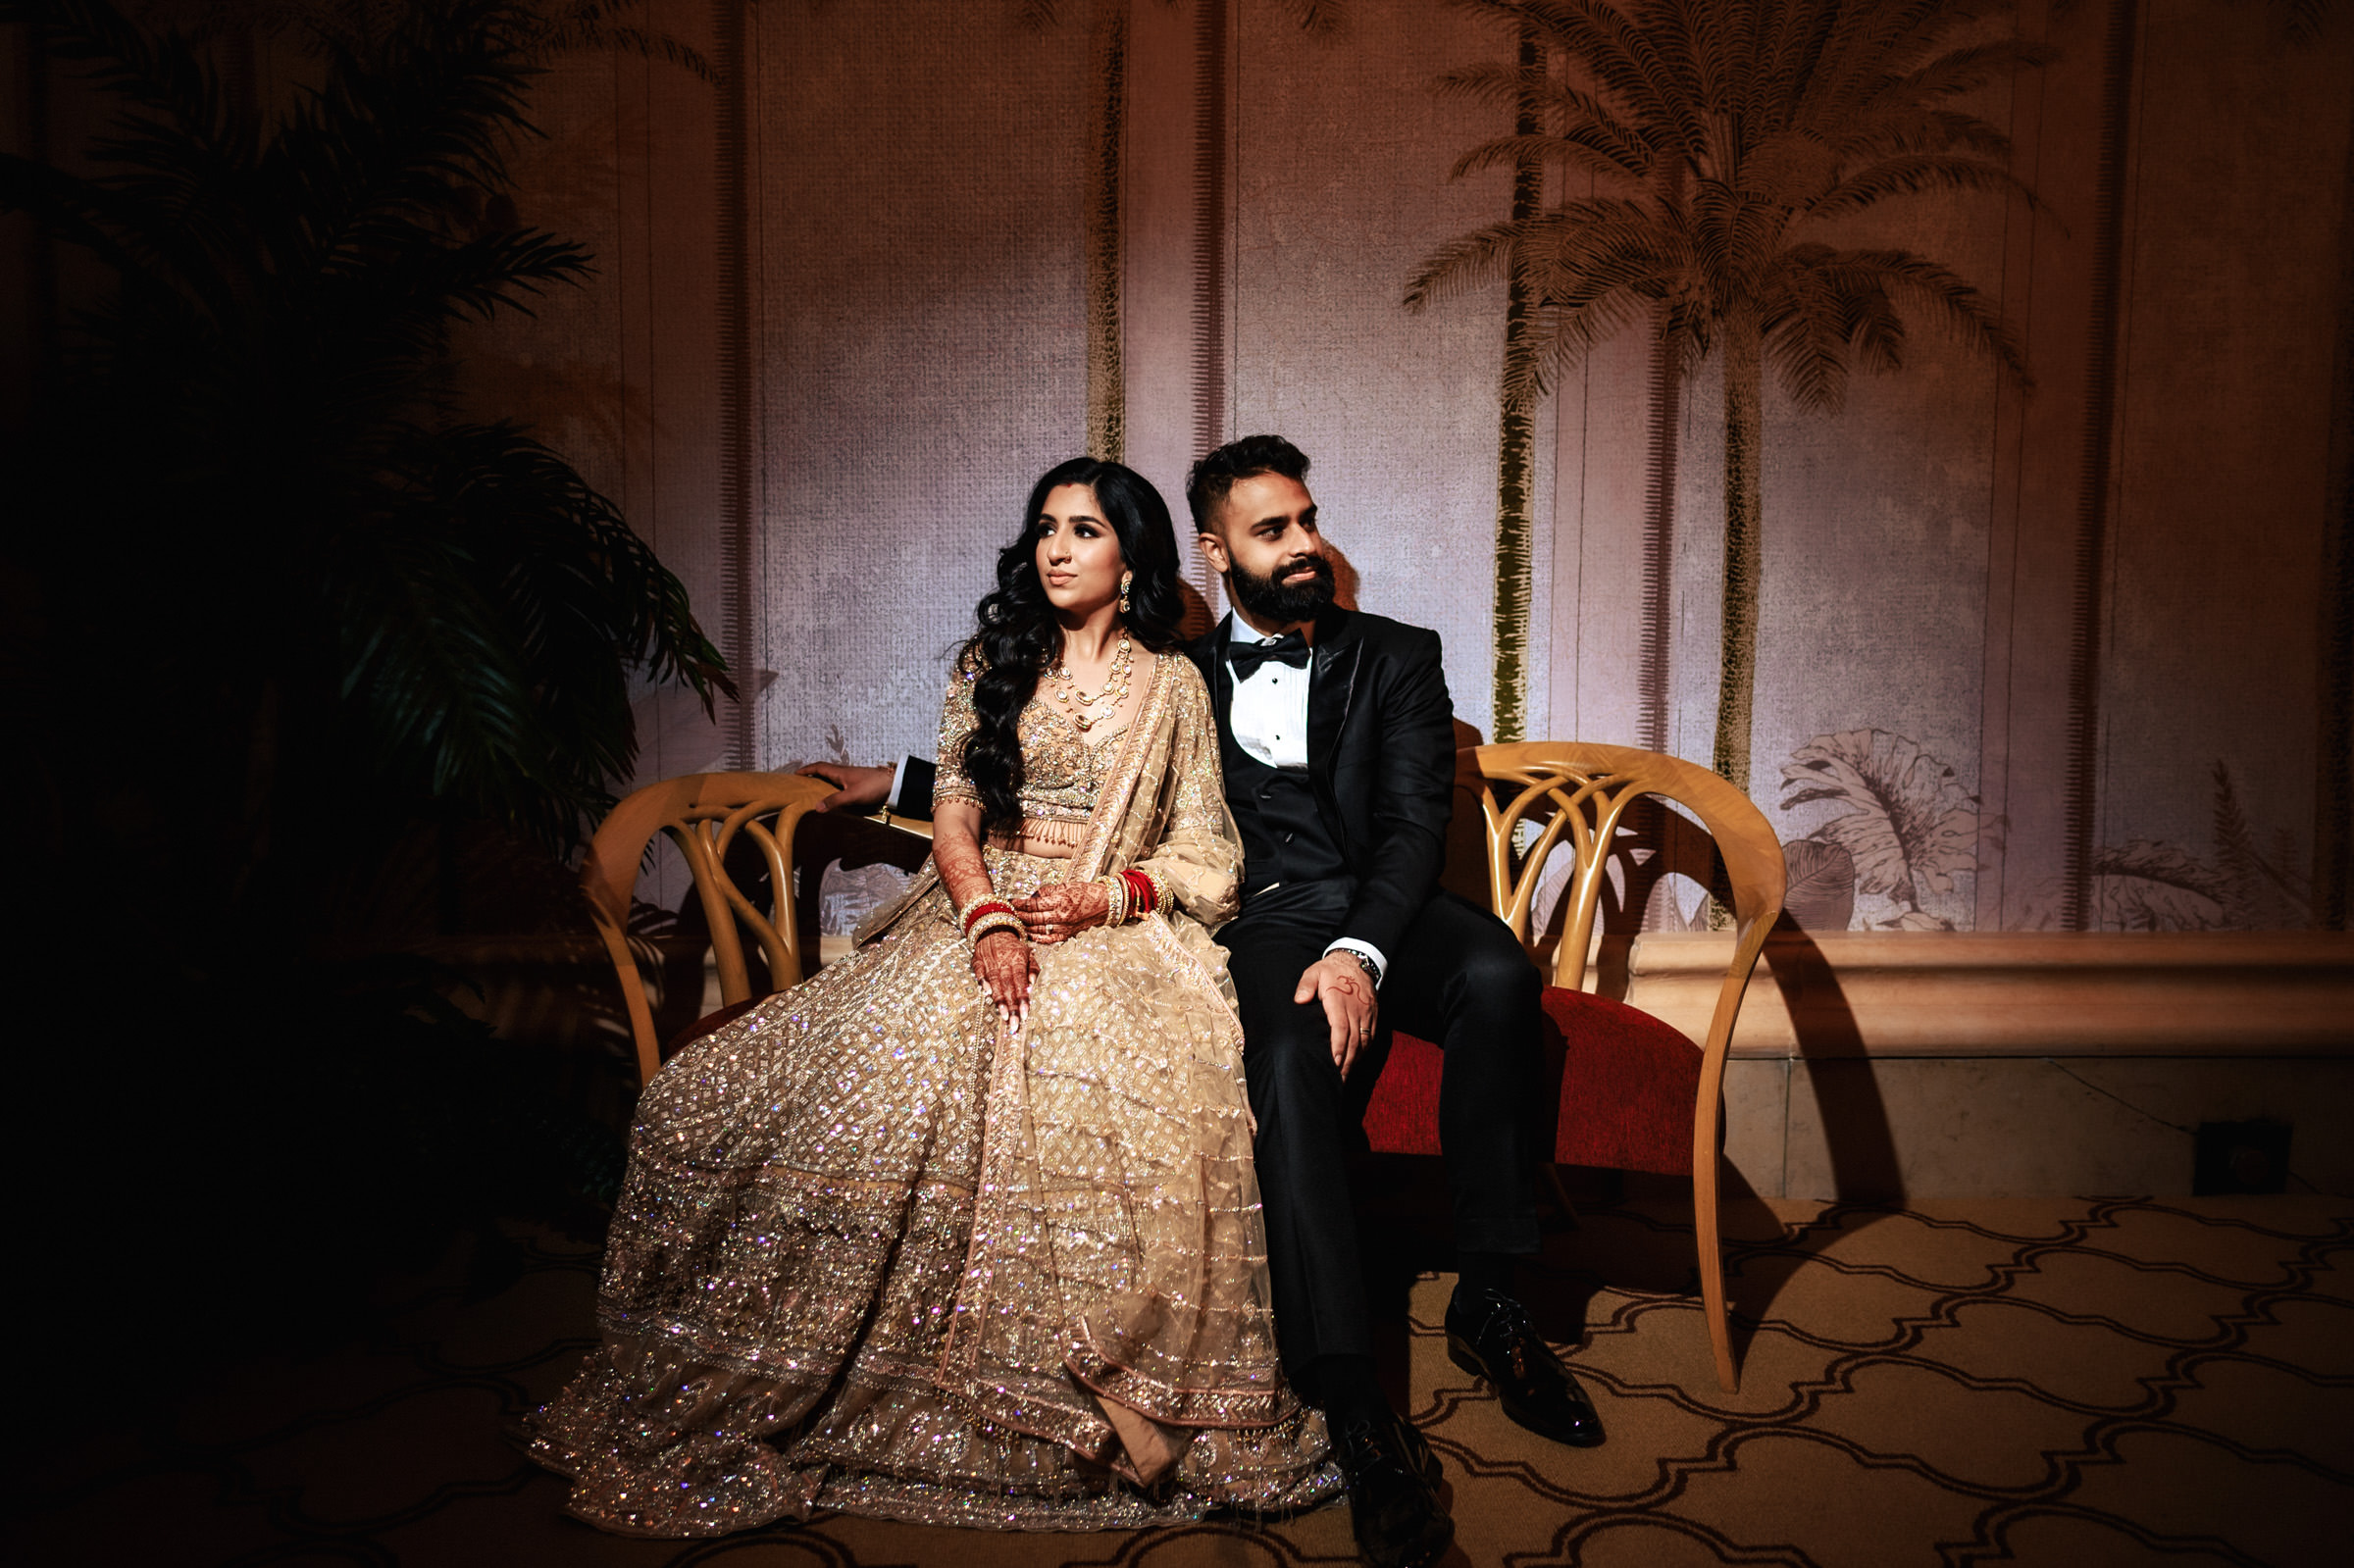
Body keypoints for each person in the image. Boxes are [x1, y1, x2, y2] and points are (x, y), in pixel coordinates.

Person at [807, 436, 1605, 1568]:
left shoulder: (1398, 656)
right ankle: (1352, 1401)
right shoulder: (1174, 668)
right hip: (1256, 917)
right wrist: (900, 785)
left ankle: (1492, 1298)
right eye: (1274, 530)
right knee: (1280, 1057)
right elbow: (1055, 777)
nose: (1305, 544)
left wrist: (1359, 956)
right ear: (1217, 553)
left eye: (1308, 521)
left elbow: (1413, 829)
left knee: (1497, 973)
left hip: (1382, 906)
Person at [526, 458, 1337, 1536]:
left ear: (1132, 557)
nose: (1055, 549)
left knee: (1112, 1074)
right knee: (761, 1089)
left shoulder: (1174, 686)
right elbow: (957, 812)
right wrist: (987, 917)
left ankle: (1091, 1394)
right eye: (1045, 527)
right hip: (977, 906)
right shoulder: (990, 662)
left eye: (1084, 530)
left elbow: (1203, 846)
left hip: (1109, 924)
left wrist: (1106, 896)